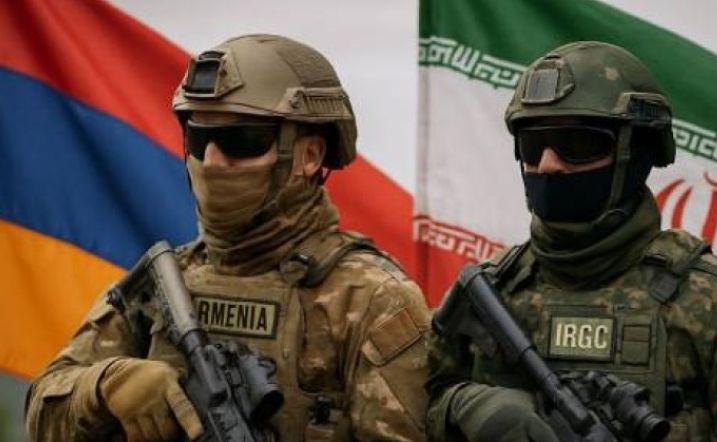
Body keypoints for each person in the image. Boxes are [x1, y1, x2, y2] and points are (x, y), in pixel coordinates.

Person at [25, 34, 430, 441]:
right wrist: (106, 386)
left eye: (241, 141)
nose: (213, 160)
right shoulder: (166, 283)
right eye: (199, 139)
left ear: (309, 156)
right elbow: (42, 414)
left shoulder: (372, 300)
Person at [425, 41, 717, 441]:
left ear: (635, 154)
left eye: (576, 145)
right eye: (532, 146)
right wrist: (465, 407)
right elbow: (414, 409)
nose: (547, 164)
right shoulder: (491, 292)